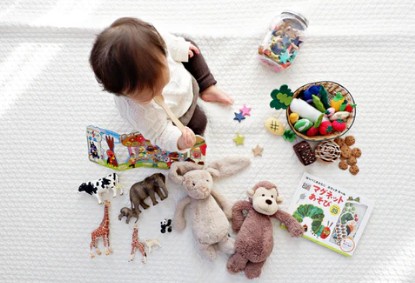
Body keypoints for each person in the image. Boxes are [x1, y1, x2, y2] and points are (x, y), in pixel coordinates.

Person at [89, 17, 233, 152]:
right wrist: (179, 141)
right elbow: (160, 133)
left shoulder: (155, 41)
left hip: (186, 80)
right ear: (123, 94)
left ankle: (206, 86)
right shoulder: (139, 113)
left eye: (162, 84)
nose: (160, 92)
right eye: (152, 94)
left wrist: (180, 48)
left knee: (190, 48)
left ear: (161, 52)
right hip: (178, 112)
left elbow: (169, 42)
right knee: (199, 122)